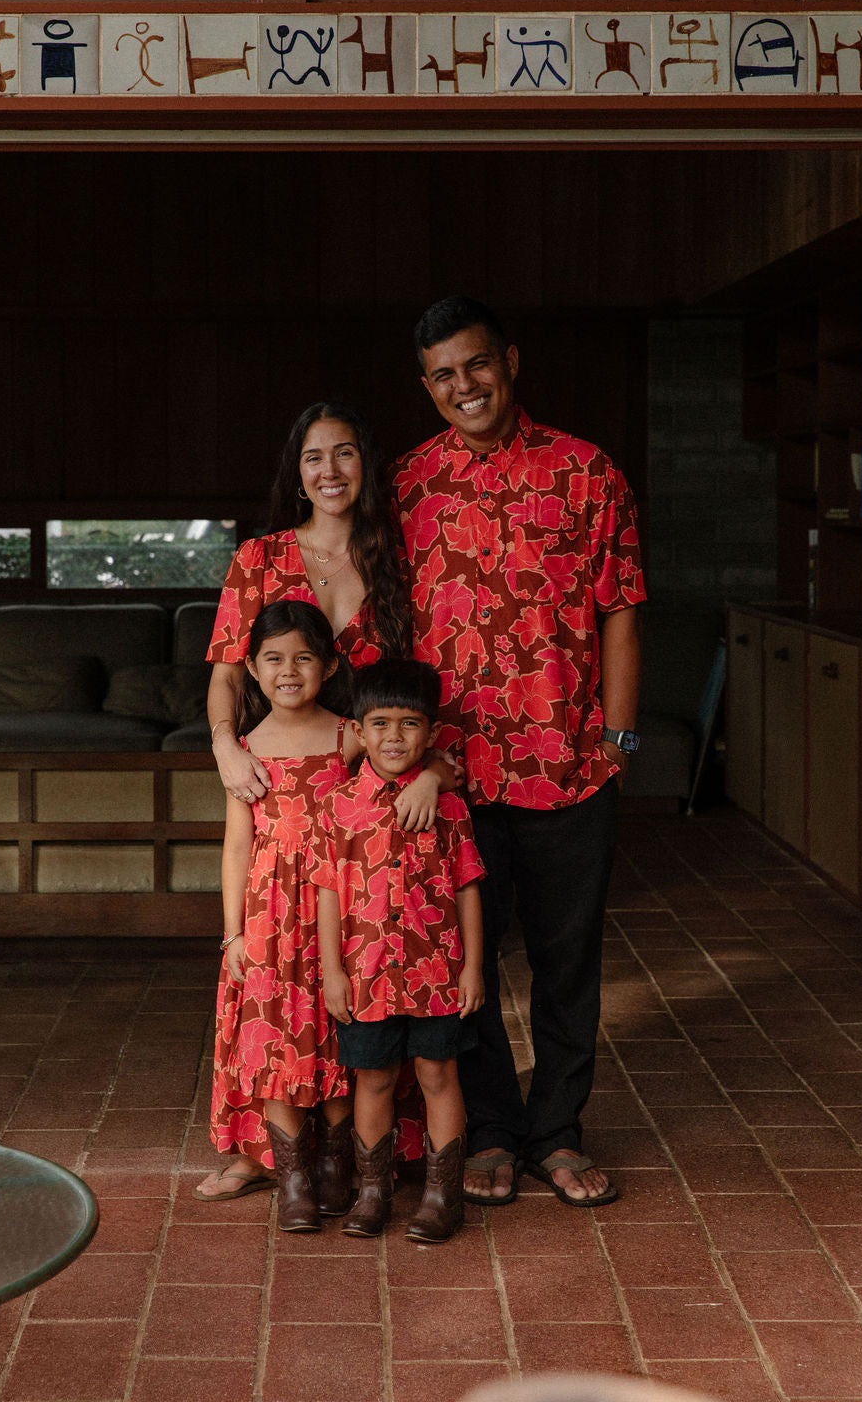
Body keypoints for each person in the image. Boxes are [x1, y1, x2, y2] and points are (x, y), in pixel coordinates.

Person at [392, 295, 646, 1210]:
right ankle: (495, 1129)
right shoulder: (407, 484)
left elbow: (621, 612)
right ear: (428, 387)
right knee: (465, 958)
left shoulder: (587, 471)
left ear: (509, 360)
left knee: (566, 961)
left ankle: (558, 1131)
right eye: (443, 375)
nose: (464, 386)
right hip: (453, 776)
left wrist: (618, 741)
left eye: (476, 365)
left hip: (570, 763)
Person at [197, 600, 443, 1221]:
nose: (289, 671)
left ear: (330, 666)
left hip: (343, 912)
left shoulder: (348, 736)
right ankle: (293, 1178)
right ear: (252, 669)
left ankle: (338, 1162)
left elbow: (414, 762)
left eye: (304, 658)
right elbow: (237, 846)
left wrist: (432, 777)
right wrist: (233, 934)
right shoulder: (245, 750)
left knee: (340, 1030)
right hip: (270, 917)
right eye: (273, 659)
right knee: (277, 1035)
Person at [317, 658, 484, 1242]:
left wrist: (472, 969)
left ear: (431, 732)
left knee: (438, 1072)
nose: (394, 737)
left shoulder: (450, 806)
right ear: (358, 732)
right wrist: (332, 972)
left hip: (436, 971)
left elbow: (467, 888)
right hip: (365, 977)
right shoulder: (338, 807)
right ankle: (372, 1192)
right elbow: (329, 894)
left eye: (409, 724)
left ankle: (442, 1197)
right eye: (380, 724)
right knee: (374, 1078)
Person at [206, 400, 411, 809]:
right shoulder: (258, 558)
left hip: (382, 775)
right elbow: (227, 676)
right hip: (280, 776)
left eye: (344, 453)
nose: (329, 471)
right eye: (314, 457)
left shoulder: (397, 561)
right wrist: (225, 748)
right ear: (299, 474)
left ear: (365, 465)